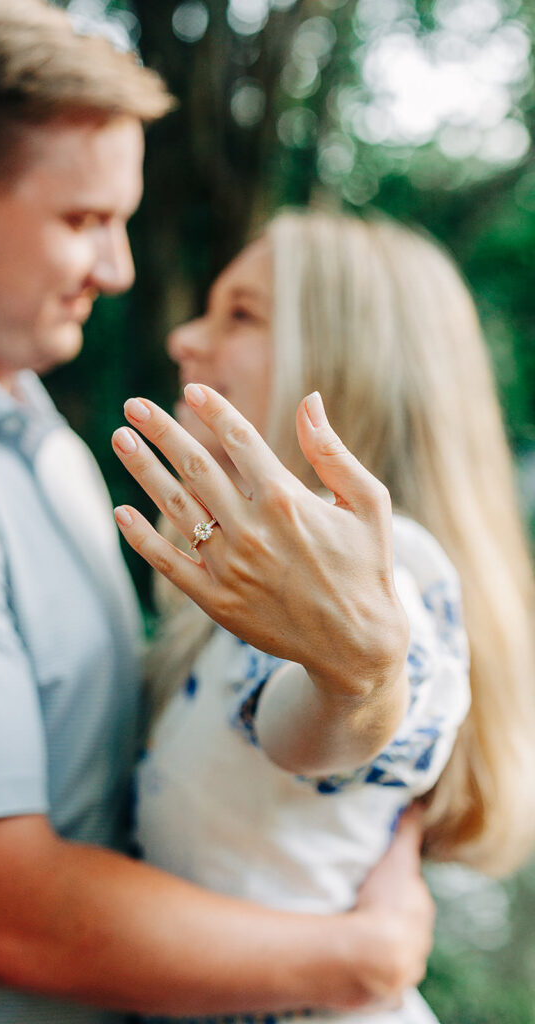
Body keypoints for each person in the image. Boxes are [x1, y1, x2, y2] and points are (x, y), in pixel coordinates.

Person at [0, 5, 433, 1023]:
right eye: (85, 222)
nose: (118, 270)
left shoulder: (27, 425)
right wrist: (360, 959)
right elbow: (3, 914)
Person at [110, 210, 535, 1023]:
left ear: (349, 364)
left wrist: (356, 677)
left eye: (241, 314)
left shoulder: (393, 574)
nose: (185, 339)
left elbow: (323, 724)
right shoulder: (255, 588)